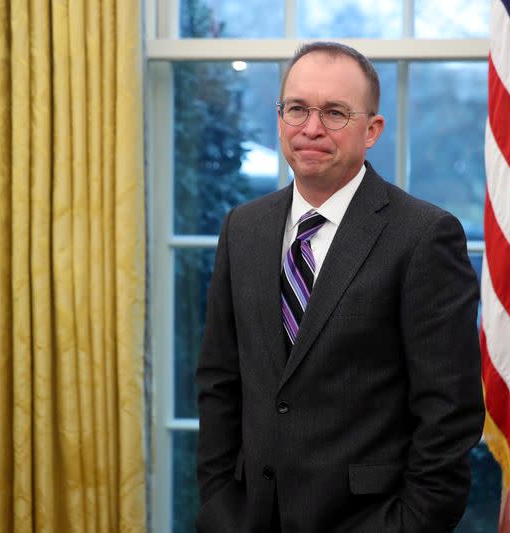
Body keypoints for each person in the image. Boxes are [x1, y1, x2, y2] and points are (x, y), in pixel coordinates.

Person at [195, 41, 485, 533]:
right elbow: (219, 384)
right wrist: (220, 505)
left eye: (334, 113)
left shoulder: (423, 236)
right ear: (280, 115)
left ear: (371, 130)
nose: (311, 128)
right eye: (297, 109)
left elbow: (448, 415)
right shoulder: (242, 229)